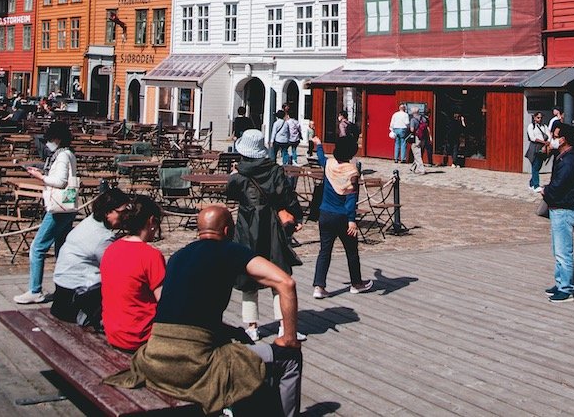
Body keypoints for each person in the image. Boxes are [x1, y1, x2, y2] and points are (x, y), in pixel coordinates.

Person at [106, 205, 303, 417]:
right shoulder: (230, 250)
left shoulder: (177, 257)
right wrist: (289, 338)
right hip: (191, 364)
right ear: (227, 230)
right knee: (290, 357)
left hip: (154, 358)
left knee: (238, 341)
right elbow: (286, 283)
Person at [225, 128, 304, 343]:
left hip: (247, 225)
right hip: (271, 225)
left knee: (248, 275)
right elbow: (287, 196)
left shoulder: (238, 175)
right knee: (279, 273)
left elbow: (230, 194)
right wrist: (296, 216)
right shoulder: (275, 171)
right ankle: (283, 325)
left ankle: (252, 326)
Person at [51, 188, 135, 328]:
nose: (126, 216)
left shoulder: (89, 222)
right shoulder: (103, 237)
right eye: (123, 212)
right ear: (108, 212)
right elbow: (116, 270)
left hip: (62, 295)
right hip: (76, 301)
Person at [15, 122, 78, 304]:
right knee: (61, 249)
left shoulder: (62, 156)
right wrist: (42, 172)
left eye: (49, 139)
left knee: (38, 247)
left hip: (59, 208)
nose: (48, 143)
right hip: (68, 206)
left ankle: (35, 290)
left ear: (56, 139)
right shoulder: (68, 154)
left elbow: (59, 181)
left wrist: (40, 176)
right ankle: (63, 288)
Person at [310, 134, 375, 298]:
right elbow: (351, 197)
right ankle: (356, 283)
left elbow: (321, 158)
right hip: (342, 217)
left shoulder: (329, 164)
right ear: (351, 153)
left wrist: (318, 144)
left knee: (324, 251)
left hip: (325, 213)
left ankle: (319, 286)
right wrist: (352, 220)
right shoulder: (352, 171)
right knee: (351, 251)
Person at [100, 195, 166, 351]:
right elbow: (164, 302)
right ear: (151, 221)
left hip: (114, 332)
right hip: (140, 336)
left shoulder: (111, 249)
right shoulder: (151, 256)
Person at [541, 127, 574, 304]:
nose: (553, 139)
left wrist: (546, 191)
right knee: (558, 251)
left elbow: (559, 185)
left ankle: (566, 289)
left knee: (564, 252)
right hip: (558, 208)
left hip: (564, 209)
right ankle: (560, 283)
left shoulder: (569, 160)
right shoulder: (563, 157)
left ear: (563, 139)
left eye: (555, 137)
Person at [525, 111, 551, 192]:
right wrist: (544, 142)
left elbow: (549, 135)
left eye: (541, 118)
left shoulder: (544, 126)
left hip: (543, 147)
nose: (540, 119)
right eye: (538, 117)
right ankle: (536, 185)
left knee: (538, 166)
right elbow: (532, 137)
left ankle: (531, 183)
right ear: (534, 118)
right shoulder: (531, 126)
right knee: (535, 166)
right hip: (535, 146)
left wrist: (547, 143)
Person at [407, 107, 427, 174]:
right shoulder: (423, 118)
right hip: (423, 138)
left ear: (413, 112)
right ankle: (413, 167)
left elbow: (412, 129)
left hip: (416, 138)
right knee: (418, 152)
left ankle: (421, 169)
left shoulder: (413, 120)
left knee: (417, 154)